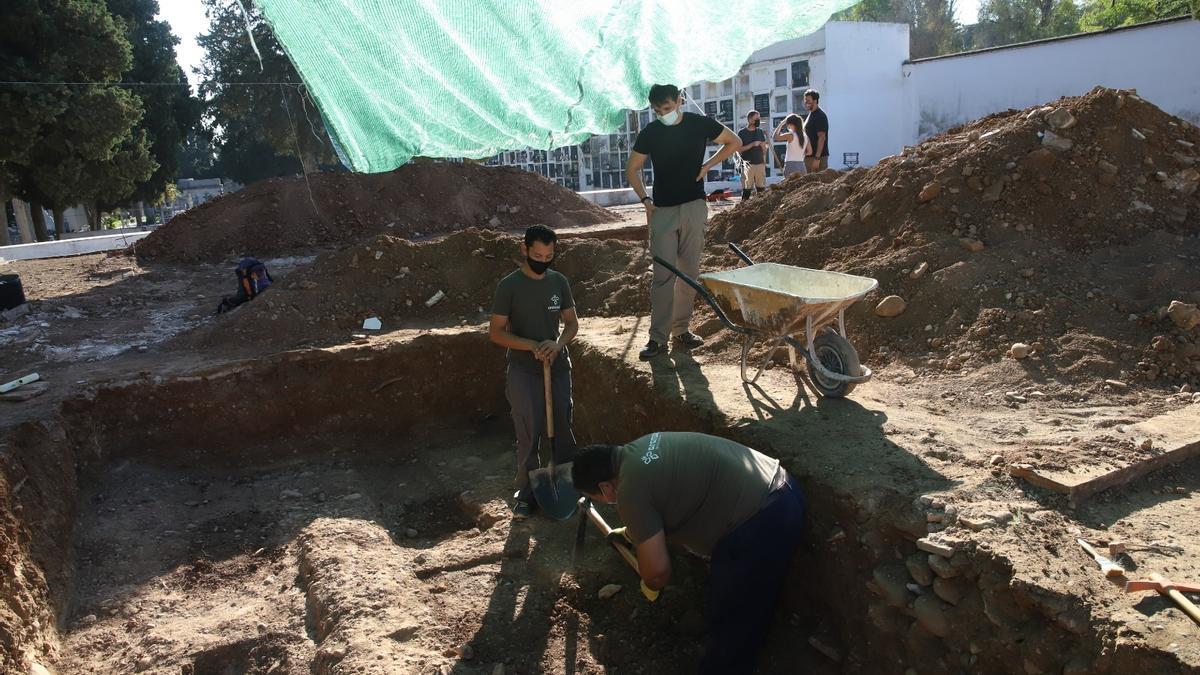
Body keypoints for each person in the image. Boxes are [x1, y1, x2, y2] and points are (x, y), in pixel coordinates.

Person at [573, 432, 807, 674]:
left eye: (598, 498)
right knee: (743, 611)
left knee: (733, 630)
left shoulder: (629, 491)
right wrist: (634, 533)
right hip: (783, 490)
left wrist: (650, 583)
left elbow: (658, 572)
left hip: (761, 523)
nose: (606, 502)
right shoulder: (642, 448)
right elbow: (662, 497)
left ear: (604, 487)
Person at [625, 84, 742, 361]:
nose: (662, 114)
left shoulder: (699, 124)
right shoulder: (650, 133)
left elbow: (734, 142)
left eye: (666, 108)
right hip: (662, 211)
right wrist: (645, 201)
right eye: (657, 111)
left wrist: (708, 165)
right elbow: (632, 169)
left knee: (688, 274)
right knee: (662, 278)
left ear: (678, 101)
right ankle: (657, 338)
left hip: (693, 207)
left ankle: (681, 331)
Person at [488, 225, 579, 519]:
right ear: (524, 249)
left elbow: (571, 324)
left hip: (557, 367)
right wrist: (530, 345)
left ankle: (566, 487)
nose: (543, 260)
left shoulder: (559, 282)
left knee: (563, 427)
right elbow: (496, 332)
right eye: (538, 254)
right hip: (524, 372)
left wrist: (557, 344)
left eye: (549, 255)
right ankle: (527, 492)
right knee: (528, 432)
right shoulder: (509, 286)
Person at [736, 111, 768, 201]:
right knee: (746, 191)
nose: (758, 120)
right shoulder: (741, 133)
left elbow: (764, 149)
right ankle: (743, 211)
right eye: (756, 119)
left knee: (761, 191)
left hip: (760, 164)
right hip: (747, 166)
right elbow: (739, 149)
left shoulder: (760, 132)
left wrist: (764, 159)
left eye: (759, 119)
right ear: (750, 120)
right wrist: (752, 144)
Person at [803, 89, 829, 173]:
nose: (806, 102)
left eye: (808, 100)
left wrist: (817, 158)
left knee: (819, 184)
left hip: (818, 158)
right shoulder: (811, 114)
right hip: (809, 157)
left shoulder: (820, 115)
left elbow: (822, 138)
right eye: (805, 100)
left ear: (815, 101)